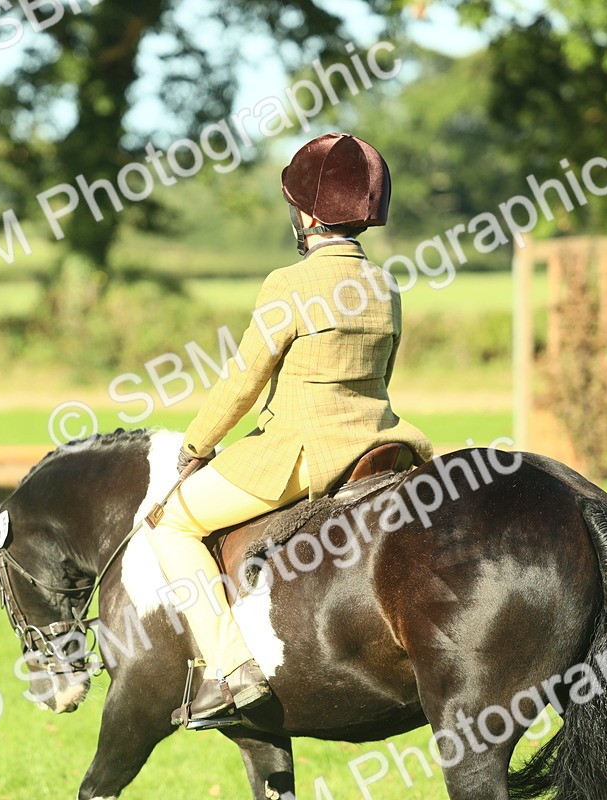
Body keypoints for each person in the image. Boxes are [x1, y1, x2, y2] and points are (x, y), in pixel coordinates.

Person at [145, 132, 433, 727]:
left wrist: (196, 445)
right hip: (381, 446)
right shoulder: (385, 285)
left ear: (306, 213)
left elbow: (242, 380)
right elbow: (383, 374)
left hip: (300, 455)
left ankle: (231, 672)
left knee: (171, 524)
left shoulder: (289, 283)